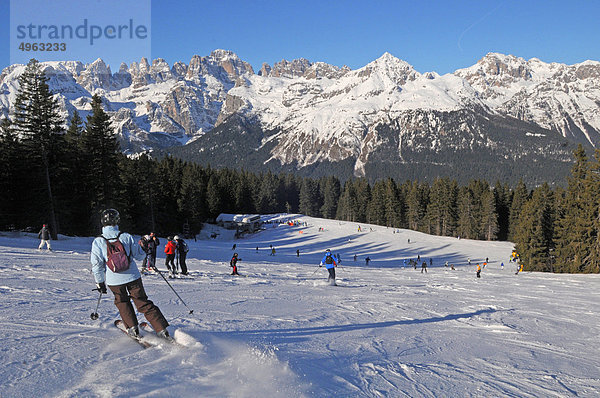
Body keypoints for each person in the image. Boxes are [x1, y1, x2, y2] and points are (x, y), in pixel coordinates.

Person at [90, 209, 170, 339]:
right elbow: (139, 256)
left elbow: (97, 264)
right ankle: (161, 329)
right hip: (133, 277)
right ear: (117, 221)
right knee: (142, 302)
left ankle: (132, 328)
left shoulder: (98, 241)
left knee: (122, 302)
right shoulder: (125, 236)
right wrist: (143, 248)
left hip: (113, 280)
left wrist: (100, 282)